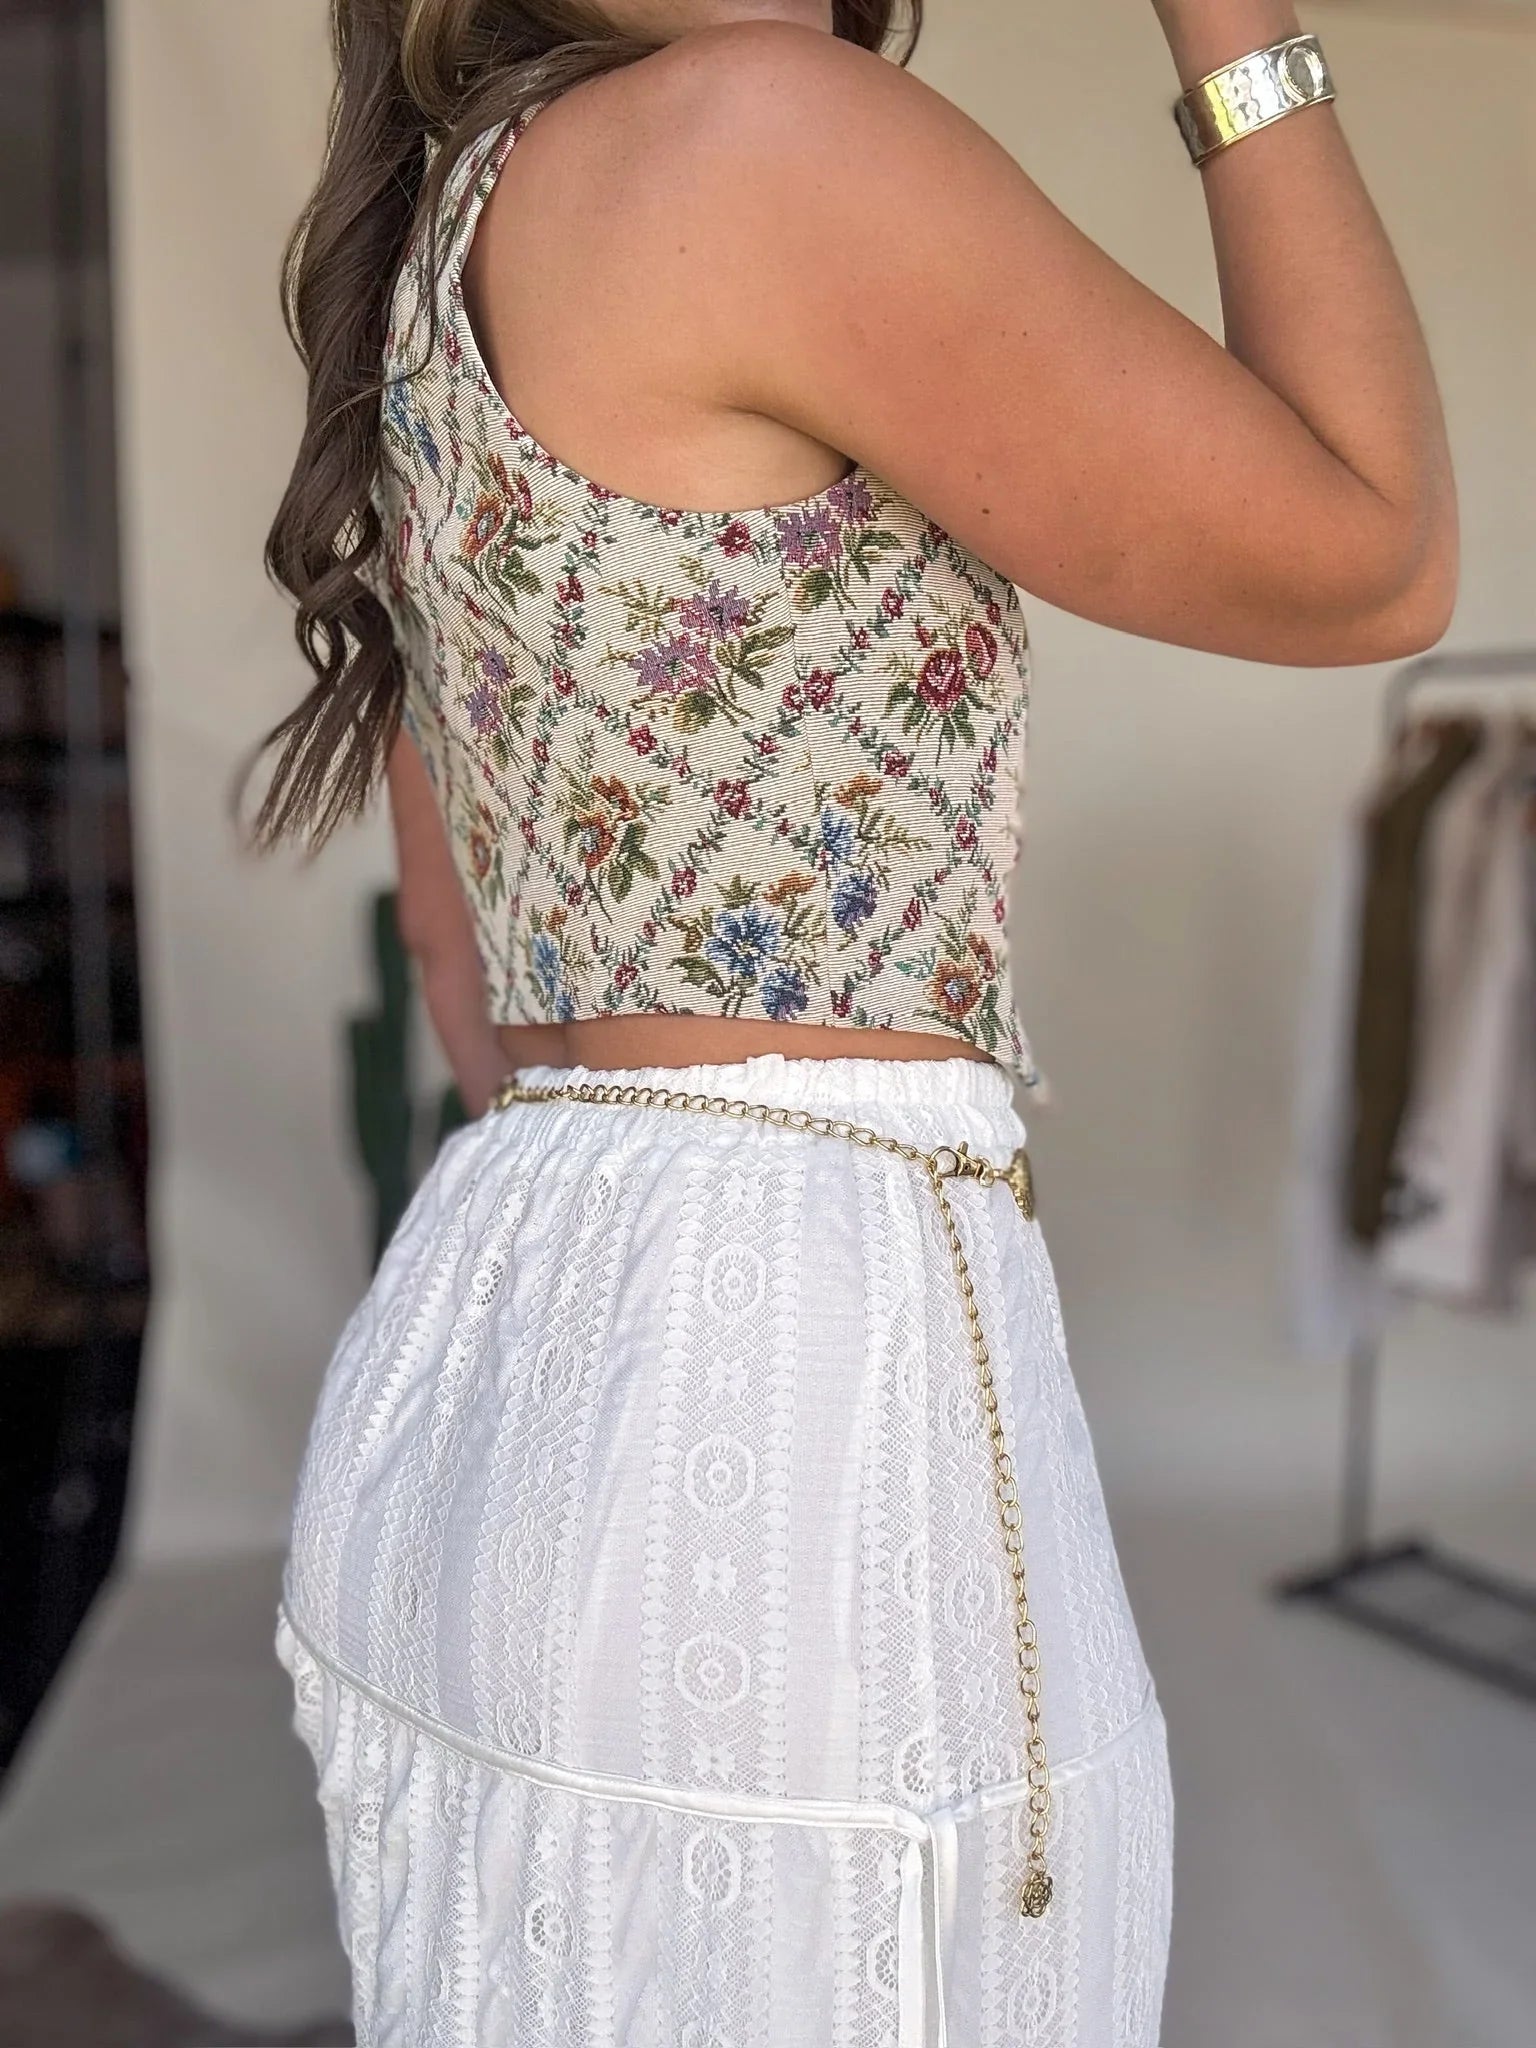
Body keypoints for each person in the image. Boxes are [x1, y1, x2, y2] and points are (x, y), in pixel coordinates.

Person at [243, 2, 1457, 2042]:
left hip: (491, 1353)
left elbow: (470, 979)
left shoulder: (457, 217)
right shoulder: (763, 135)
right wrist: (1236, 22)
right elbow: (1377, 554)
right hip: (788, 1369)